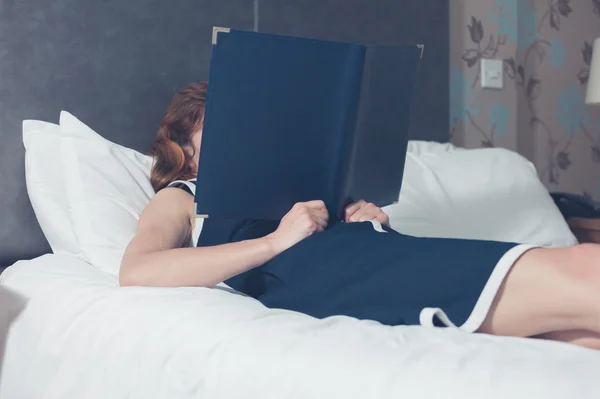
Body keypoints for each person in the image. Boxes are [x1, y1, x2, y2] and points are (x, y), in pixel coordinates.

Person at [121, 81, 600, 350]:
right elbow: (138, 271)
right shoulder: (185, 196)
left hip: (375, 258)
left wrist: (368, 223)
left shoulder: (287, 185)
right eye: (216, 129)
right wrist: (274, 241)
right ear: (184, 149)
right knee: (586, 269)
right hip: (334, 279)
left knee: (578, 333)